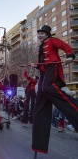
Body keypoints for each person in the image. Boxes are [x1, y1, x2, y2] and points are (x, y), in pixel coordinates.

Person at [31, 25, 78, 156]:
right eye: (38, 33)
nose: (40, 35)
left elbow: (64, 45)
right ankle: (38, 144)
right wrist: (37, 65)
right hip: (44, 73)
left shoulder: (52, 41)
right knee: (40, 102)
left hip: (53, 68)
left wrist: (70, 56)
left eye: (42, 33)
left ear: (47, 34)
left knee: (47, 88)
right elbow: (42, 62)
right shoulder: (41, 46)